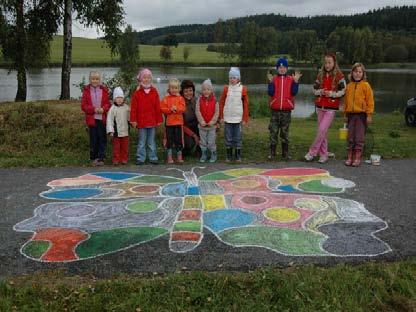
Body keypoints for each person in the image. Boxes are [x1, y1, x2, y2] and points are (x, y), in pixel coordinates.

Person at [304, 53, 346, 163]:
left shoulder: (339, 76)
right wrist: (320, 92)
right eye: (326, 62)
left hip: (331, 108)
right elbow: (314, 89)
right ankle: (323, 155)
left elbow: (343, 91)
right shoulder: (320, 74)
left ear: (334, 63)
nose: (327, 65)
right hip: (319, 107)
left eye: (329, 62)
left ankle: (312, 152)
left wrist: (332, 94)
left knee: (322, 130)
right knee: (323, 132)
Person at [267, 58, 302, 160]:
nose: (282, 69)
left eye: (284, 67)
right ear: (277, 68)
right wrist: (270, 83)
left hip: (286, 112)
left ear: (287, 69)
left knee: (284, 133)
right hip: (275, 111)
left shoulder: (291, 79)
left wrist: (296, 82)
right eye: (280, 67)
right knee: (273, 132)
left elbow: (294, 92)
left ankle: (285, 153)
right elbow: (270, 93)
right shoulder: (273, 79)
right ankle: (272, 153)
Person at [343, 62, 374, 167]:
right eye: (356, 71)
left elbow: (370, 101)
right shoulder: (349, 86)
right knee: (350, 136)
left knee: (359, 137)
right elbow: (346, 102)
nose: (358, 74)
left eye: (360, 72)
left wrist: (369, 115)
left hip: (361, 115)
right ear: (352, 73)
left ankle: (357, 158)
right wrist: (345, 115)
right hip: (351, 115)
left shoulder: (366, 85)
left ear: (363, 73)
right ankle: (349, 157)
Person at [130, 68, 163, 165]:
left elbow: (157, 106)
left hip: (152, 122)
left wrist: (159, 119)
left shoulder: (154, 91)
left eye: (148, 77)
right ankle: (141, 158)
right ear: (140, 79)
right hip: (141, 122)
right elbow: (134, 108)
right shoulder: (137, 93)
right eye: (144, 77)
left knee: (151, 142)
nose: (146, 79)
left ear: (151, 79)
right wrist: (133, 120)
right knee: (141, 142)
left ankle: (153, 157)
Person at [219, 67, 249, 162]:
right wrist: (221, 116)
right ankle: (228, 155)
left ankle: (238, 155)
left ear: (238, 79)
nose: (232, 79)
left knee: (238, 137)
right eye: (231, 77)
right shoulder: (226, 89)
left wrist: (245, 118)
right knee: (228, 136)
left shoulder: (243, 89)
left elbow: (246, 104)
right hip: (228, 118)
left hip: (238, 118)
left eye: (234, 77)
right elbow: (221, 103)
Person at [81, 71, 111, 166]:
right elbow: (84, 106)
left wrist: (103, 109)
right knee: (94, 139)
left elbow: (108, 104)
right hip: (92, 120)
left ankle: (101, 157)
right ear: (90, 80)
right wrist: (94, 109)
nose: (95, 80)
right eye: (93, 79)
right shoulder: (86, 91)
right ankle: (93, 158)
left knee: (102, 138)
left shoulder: (104, 90)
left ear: (99, 80)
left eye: (97, 79)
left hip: (102, 119)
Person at [160, 78, 186, 163]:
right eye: (172, 88)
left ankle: (179, 156)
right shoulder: (166, 98)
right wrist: (170, 110)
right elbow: (162, 108)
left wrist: (176, 109)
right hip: (169, 123)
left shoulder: (181, 98)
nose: (174, 90)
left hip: (178, 123)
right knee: (169, 140)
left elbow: (183, 108)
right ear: (169, 88)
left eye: (176, 88)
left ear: (179, 89)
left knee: (179, 140)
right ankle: (169, 156)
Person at [195, 79, 219, 163]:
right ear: (202, 90)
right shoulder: (199, 100)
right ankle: (204, 154)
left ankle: (213, 153)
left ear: (211, 90)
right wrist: (201, 121)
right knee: (203, 141)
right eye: (204, 89)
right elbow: (197, 111)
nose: (206, 91)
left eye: (208, 89)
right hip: (202, 126)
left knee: (211, 141)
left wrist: (213, 121)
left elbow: (217, 113)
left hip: (212, 126)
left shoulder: (215, 101)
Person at [106, 87, 130, 165]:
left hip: (125, 131)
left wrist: (133, 122)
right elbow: (109, 120)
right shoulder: (112, 109)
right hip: (116, 132)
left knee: (125, 147)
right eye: (117, 98)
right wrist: (111, 130)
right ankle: (116, 160)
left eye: (121, 98)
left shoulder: (126, 108)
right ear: (114, 99)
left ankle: (124, 159)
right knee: (116, 147)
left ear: (123, 98)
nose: (119, 99)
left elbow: (130, 117)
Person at [180, 80, 200, 157]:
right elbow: (181, 124)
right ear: (182, 92)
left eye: (190, 90)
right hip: (185, 129)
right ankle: (185, 150)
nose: (189, 93)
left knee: (207, 131)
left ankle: (199, 149)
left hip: (197, 126)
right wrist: (193, 135)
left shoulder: (197, 100)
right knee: (189, 144)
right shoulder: (180, 103)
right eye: (186, 91)